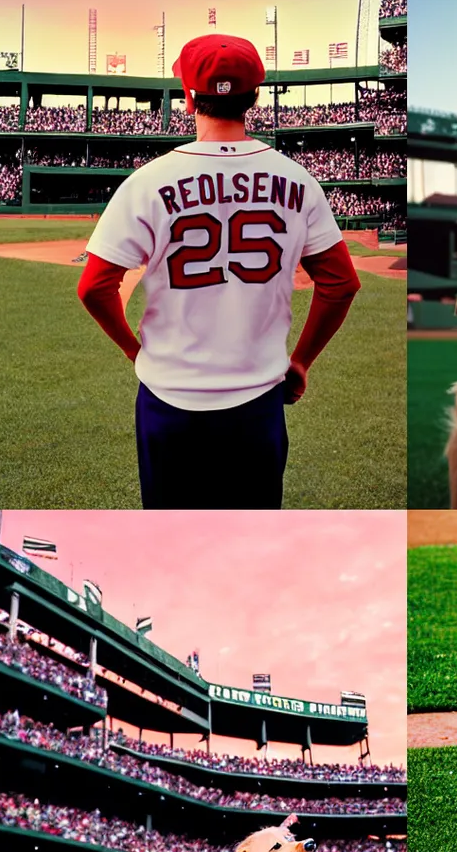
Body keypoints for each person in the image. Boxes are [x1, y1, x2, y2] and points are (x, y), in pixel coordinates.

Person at [78, 35, 361, 508]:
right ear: (255, 97)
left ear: (188, 96)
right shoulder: (298, 180)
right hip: (258, 404)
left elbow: (95, 287)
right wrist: (302, 361)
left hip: (167, 400)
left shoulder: (148, 181)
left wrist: (134, 350)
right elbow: (341, 284)